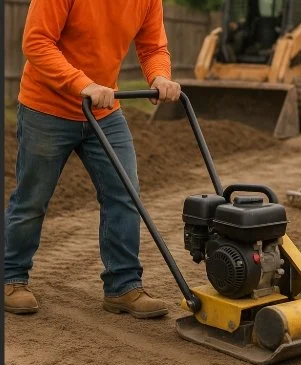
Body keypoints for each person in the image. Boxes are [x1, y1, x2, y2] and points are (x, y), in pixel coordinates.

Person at [4, 0, 181, 318]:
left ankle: (123, 286)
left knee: (124, 194)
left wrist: (159, 77)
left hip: (104, 111)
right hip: (47, 108)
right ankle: (11, 278)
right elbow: (37, 41)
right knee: (33, 198)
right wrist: (81, 83)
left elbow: (153, 46)